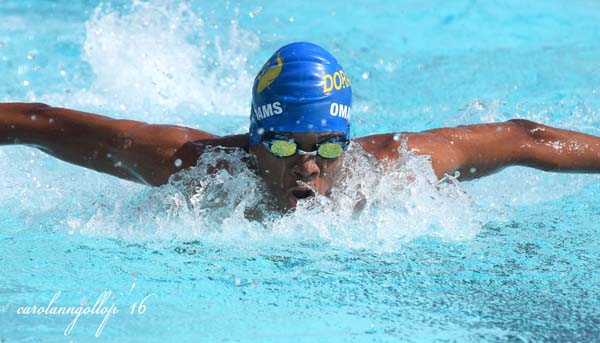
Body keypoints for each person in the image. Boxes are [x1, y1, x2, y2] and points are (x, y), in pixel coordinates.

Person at [1, 42, 600, 210]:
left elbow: (525, 138)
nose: (308, 166)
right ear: (256, 140)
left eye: (326, 148)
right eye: (285, 144)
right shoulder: (198, 167)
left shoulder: (390, 169)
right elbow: (43, 123)